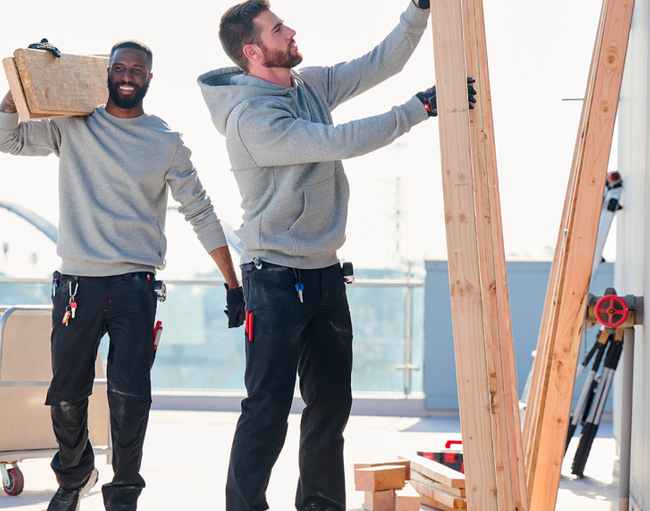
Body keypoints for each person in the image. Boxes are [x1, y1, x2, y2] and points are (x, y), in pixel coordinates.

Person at [198, 1, 474, 510]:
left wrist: (418, 10)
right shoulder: (250, 118)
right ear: (254, 50)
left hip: (323, 275)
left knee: (330, 408)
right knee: (267, 408)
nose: (292, 30)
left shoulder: (307, 86)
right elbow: (336, 141)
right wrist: (420, 109)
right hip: (275, 281)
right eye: (279, 29)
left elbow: (379, 63)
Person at [0, 39, 245, 511]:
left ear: (150, 78)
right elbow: (3, 139)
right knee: (66, 394)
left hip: (134, 288)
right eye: (120, 68)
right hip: (76, 288)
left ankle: (124, 490)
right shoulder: (74, 124)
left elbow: (202, 213)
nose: (128, 76)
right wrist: (20, 83)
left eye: (137, 70)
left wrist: (234, 284)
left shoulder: (166, 142)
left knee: (131, 398)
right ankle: (75, 474)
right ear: (107, 73)